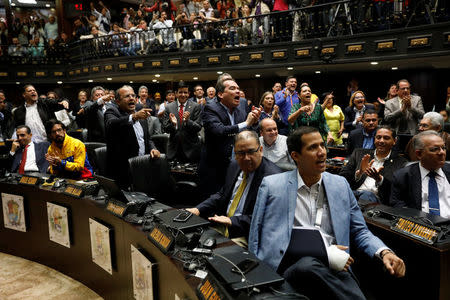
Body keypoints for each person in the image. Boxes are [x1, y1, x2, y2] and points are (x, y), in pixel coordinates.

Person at [249, 126, 406, 299]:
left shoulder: (340, 185)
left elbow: (360, 231)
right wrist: (255, 278)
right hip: (286, 265)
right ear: (295, 156)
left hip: (335, 267)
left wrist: (384, 252)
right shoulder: (272, 185)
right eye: (312, 148)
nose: (322, 152)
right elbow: (255, 233)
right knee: (307, 264)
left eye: (322, 145)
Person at [187, 130, 281, 239]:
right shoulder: (234, 165)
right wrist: (198, 209)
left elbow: (268, 219)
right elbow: (222, 194)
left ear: (260, 150)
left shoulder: (274, 178)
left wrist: (232, 221)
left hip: (247, 235)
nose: (246, 158)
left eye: (251, 152)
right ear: (235, 153)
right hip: (222, 226)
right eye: (241, 153)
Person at [199, 78, 260, 196]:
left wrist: (255, 122)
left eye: (238, 88)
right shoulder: (210, 108)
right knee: (213, 203)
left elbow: (248, 132)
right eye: (232, 88)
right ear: (221, 94)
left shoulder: (241, 106)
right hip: (214, 167)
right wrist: (246, 123)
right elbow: (219, 131)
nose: (237, 91)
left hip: (236, 166)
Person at [105, 85, 160, 188]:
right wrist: (133, 117)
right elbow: (111, 124)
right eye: (127, 96)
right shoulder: (112, 111)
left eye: (133, 95)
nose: (131, 98)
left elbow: (147, 138)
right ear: (118, 101)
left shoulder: (139, 110)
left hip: (143, 165)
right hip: (123, 169)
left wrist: (153, 148)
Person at [340, 126, 407, 204]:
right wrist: (359, 173)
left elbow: (397, 190)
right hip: (353, 193)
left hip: (376, 200)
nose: (381, 141)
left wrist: (380, 179)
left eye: (386, 138)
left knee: (366, 195)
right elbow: (342, 176)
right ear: (374, 139)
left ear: (394, 141)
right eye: (378, 137)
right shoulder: (359, 153)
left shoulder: (401, 163)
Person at [390, 131, 450, 218]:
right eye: (435, 149)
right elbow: (398, 206)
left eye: (443, 148)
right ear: (419, 154)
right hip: (420, 226)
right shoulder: (403, 176)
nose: (442, 153)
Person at [162, 81, 202, 162]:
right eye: (180, 92)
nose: (183, 95)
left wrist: (188, 121)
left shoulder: (196, 106)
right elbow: (165, 128)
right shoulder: (169, 107)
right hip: (173, 150)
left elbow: (198, 127)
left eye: (185, 92)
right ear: (176, 93)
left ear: (189, 93)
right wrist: (173, 124)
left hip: (191, 150)